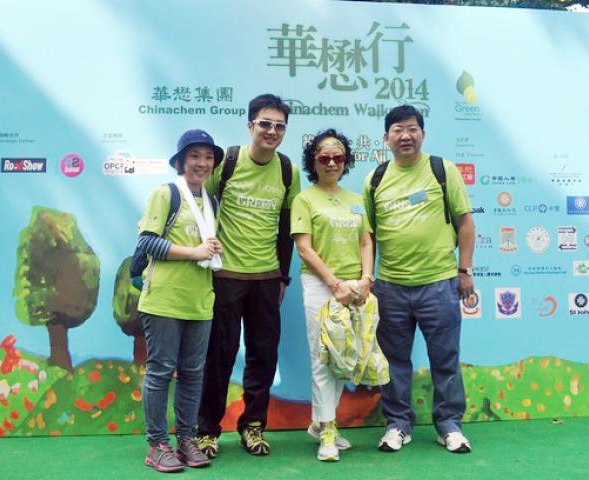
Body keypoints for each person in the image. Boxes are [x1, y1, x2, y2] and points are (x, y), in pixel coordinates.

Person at [363, 105, 475, 454]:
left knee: (445, 358)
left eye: (412, 129)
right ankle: (398, 424)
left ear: (422, 134)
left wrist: (464, 270)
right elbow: (368, 235)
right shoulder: (376, 178)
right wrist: (367, 280)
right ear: (387, 138)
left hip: (439, 284)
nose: (406, 135)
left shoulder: (443, 171)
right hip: (390, 287)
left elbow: (466, 224)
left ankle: (449, 425)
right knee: (394, 361)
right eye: (398, 129)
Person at [197, 94, 300, 457]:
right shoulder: (227, 161)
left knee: (263, 356)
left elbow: (287, 225)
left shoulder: (288, 170)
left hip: (267, 279)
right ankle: (207, 430)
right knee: (219, 356)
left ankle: (253, 427)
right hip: (226, 277)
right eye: (265, 124)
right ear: (250, 125)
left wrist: (283, 277)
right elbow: (200, 206)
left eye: (279, 126)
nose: (271, 131)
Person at [137, 129, 224, 473]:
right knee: (160, 371)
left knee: (192, 374)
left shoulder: (211, 201)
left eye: (208, 157)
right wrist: (195, 252)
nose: (202, 163)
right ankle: (157, 444)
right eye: (195, 156)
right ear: (180, 161)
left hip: (200, 301)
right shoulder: (166, 194)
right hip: (163, 300)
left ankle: (186, 439)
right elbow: (147, 242)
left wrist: (211, 252)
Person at [291, 129, 374, 462]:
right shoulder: (304, 199)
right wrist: (334, 283)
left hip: (355, 286)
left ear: (346, 161)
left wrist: (366, 278)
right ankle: (327, 429)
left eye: (338, 157)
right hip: (320, 285)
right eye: (324, 157)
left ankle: (320, 422)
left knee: (345, 358)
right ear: (314, 161)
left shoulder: (356, 201)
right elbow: (304, 248)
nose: (331, 162)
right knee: (323, 358)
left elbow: (366, 242)